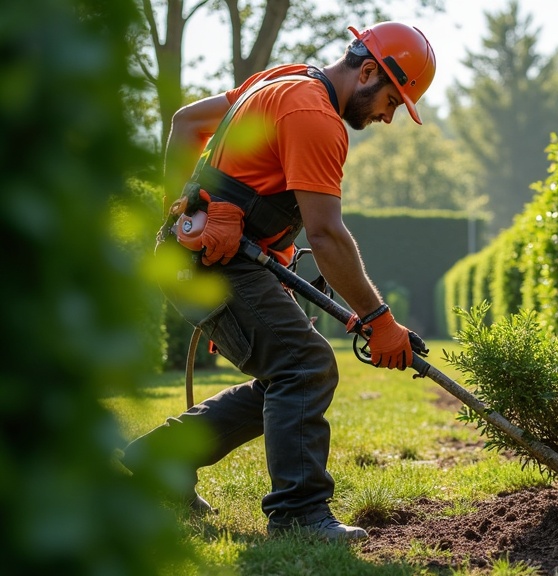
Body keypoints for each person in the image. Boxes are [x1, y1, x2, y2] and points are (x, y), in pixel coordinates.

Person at [120, 21, 436, 542]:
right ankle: (299, 515)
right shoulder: (314, 116)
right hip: (210, 264)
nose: (388, 116)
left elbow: (185, 122)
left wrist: (180, 209)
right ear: (367, 72)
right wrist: (379, 321)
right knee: (304, 366)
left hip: (205, 258)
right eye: (392, 101)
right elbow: (326, 235)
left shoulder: (282, 80)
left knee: (288, 377)